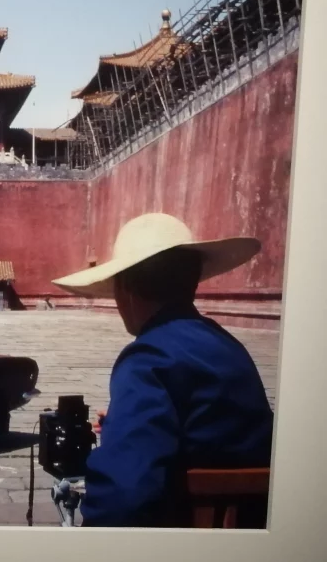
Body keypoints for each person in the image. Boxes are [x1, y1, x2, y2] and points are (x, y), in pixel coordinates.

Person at [52, 213, 274, 528]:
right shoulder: (227, 345)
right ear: (192, 281)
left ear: (125, 290)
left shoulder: (147, 359)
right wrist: (124, 422)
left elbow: (122, 499)